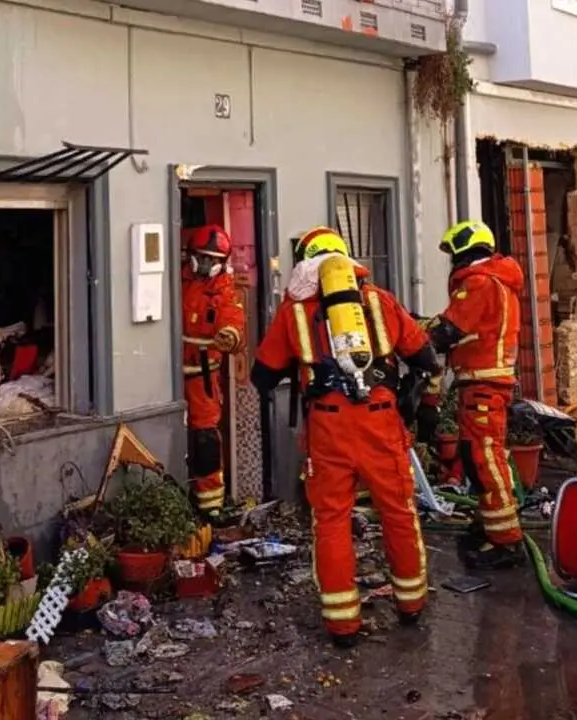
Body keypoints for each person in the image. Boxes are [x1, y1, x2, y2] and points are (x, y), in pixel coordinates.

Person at [250, 226, 439, 648]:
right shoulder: (379, 300)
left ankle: (342, 623)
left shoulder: (294, 311)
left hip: (328, 426)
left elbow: (261, 375)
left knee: (332, 520)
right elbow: (424, 355)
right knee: (398, 511)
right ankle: (411, 603)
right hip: (380, 421)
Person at [424, 220, 525, 570]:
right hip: (481, 384)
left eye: (454, 255)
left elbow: (449, 330)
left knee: (485, 460)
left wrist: (413, 332)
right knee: (476, 458)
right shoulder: (495, 281)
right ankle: (489, 525)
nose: (452, 263)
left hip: (483, 385)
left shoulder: (479, 283)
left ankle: (506, 541)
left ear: (465, 253)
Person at [181, 224, 246, 519]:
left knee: (205, 438)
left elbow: (233, 319)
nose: (206, 265)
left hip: (202, 376)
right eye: (202, 257)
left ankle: (210, 505)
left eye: (212, 259)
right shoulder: (177, 280)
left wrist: (229, 335)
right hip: (167, 375)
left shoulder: (223, 290)